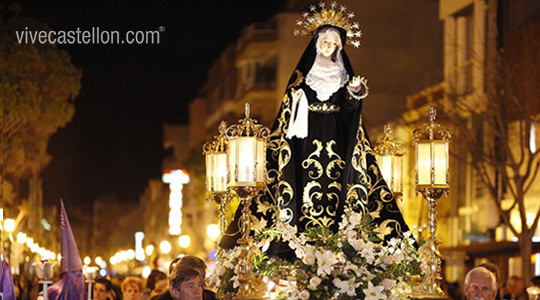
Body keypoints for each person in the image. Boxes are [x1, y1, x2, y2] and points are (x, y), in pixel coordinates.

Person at [221, 19, 412, 259]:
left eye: (334, 43)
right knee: (302, 187)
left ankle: (341, 241)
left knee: (338, 188)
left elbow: (350, 113)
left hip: (336, 138)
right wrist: (297, 99)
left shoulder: (343, 75)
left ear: (339, 47)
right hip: (305, 142)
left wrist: (354, 94)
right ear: (317, 43)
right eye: (325, 42)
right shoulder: (302, 77)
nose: (329, 46)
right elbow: (286, 118)